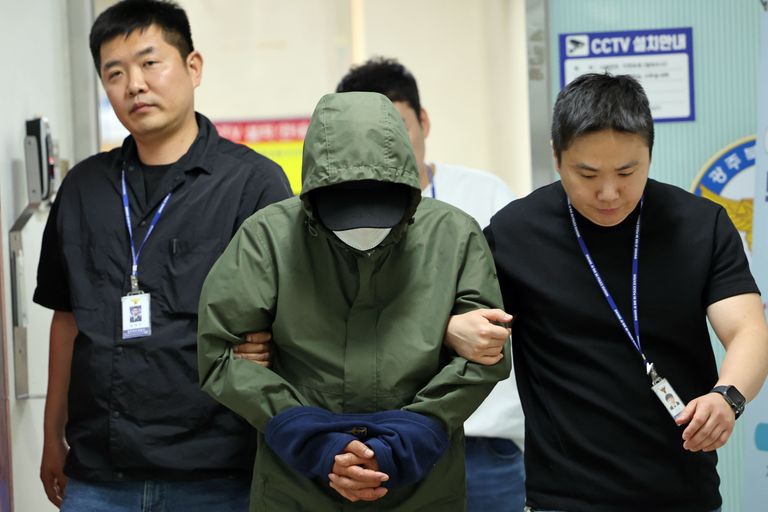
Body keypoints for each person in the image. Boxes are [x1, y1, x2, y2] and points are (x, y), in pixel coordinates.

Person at [446, 73, 768, 512]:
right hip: (562, 498)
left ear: (650, 153)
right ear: (556, 157)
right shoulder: (514, 234)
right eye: (587, 174)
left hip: (683, 493)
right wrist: (455, 327)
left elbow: (748, 329)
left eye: (627, 172)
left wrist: (727, 397)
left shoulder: (700, 225)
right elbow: (461, 320)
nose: (609, 193)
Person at [197, 91, 510, 511]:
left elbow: (489, 350)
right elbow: (219, 352)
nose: (363, 229)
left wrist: (417, 430)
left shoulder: (453, 235)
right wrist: (309, 435)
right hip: (298, 488)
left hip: (422, 488)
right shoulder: (268, 238)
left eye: (379, 205)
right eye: (345, 208)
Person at [34, 1, 291, 510]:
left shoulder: (253, 184)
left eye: (150, 63)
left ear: (193, 67)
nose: (134, 84)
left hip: (218, 478)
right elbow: (66, 320)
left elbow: (295, 315)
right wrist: (50, 437)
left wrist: (268, 347)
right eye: (115, 73)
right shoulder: (83, 188)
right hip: (100, 477)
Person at [336, 56, 525, 511]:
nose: (386, 146)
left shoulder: (486, 195)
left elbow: (513, 309)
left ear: (423, 120)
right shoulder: (335, 217)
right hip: (383, 446)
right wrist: (444, 329)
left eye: (398, 126)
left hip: (483, 444)